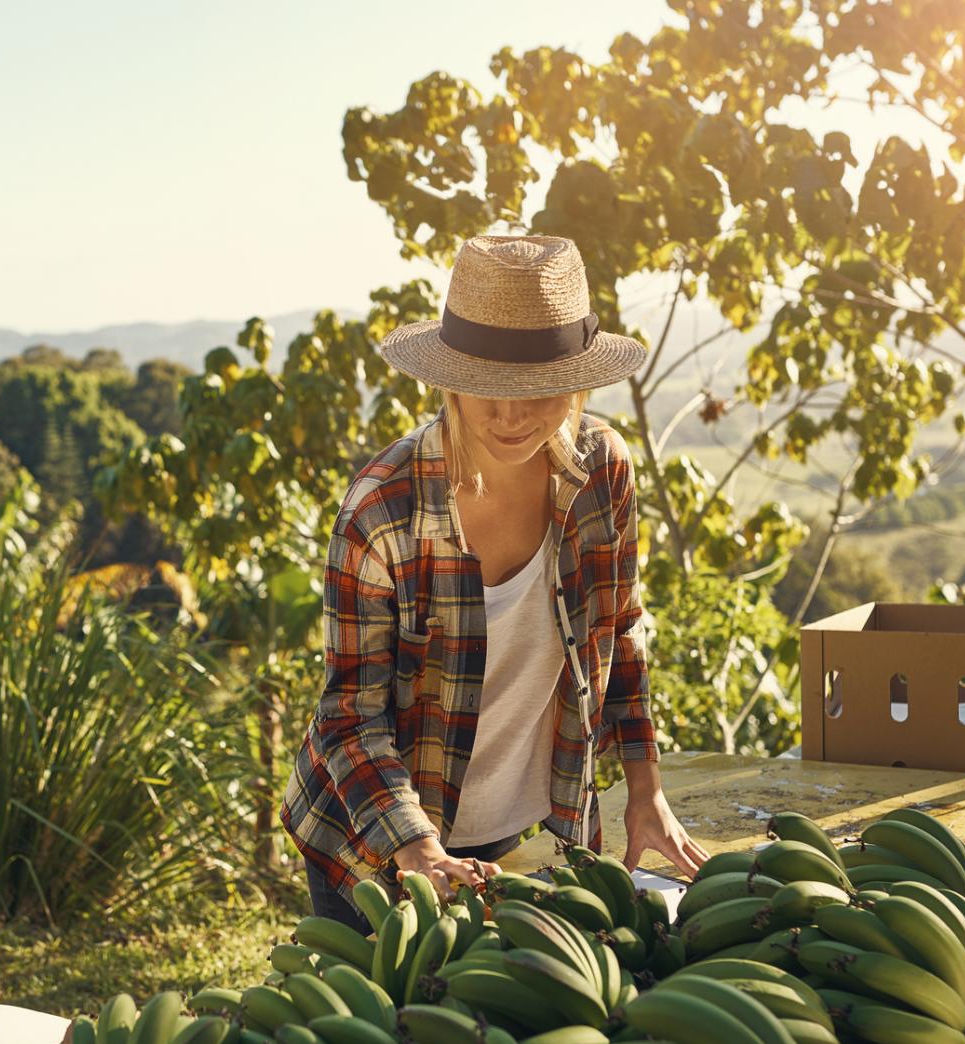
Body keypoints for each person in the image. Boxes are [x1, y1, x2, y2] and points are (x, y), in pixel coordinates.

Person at [280, 234, 708, 930]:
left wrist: (644, 789)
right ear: (448, 379)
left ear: (575, 383)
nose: (511, 417)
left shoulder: (602, 472)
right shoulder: (383, 509)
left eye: (536, 390)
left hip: (528, 828)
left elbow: (618, 634)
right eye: (488, 389)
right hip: (378, 841)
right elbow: (349, 715)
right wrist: (419, 849)